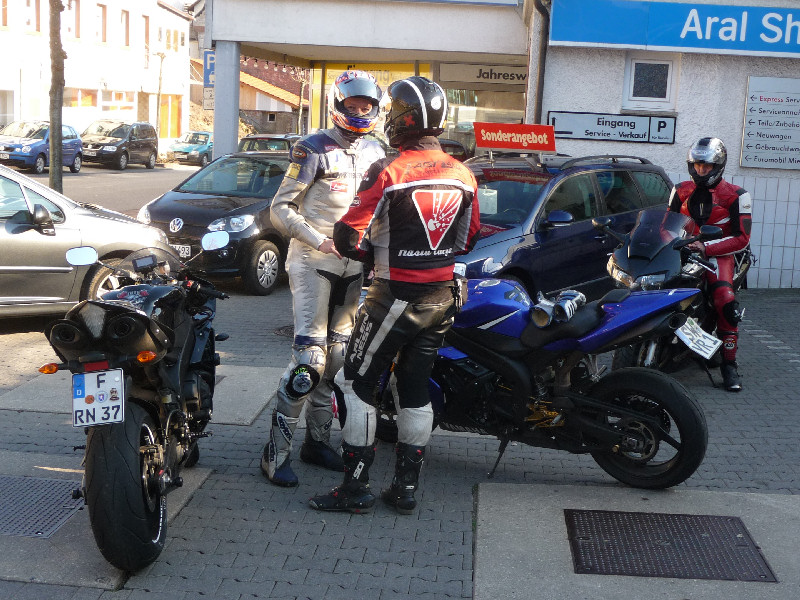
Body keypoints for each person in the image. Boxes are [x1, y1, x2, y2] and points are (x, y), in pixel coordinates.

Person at [309, 76, 481, 514]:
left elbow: (348, 237)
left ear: (403, 119)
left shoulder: (388, 169)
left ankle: (355, 488)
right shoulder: (463, 173)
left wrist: (375, 251)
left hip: (394, 295)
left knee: (356, 383)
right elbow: (469, 238)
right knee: (415, 386)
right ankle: (405, 489)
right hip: (442, 295)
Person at [261, 70, 386, 487]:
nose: (360, 112)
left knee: (337, 359)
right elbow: (280, 208)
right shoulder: (312, 147)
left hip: (355, 266)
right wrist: (320, 239)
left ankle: (317, 443)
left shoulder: (377, 150)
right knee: (309, 360)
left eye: (366, 106)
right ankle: (274, 454)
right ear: (338, 104)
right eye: (353, 105)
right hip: (313, 260)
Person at [668, 137, 752, 392]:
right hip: (683, 251)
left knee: (725, 299)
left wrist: (707, 247)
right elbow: (665, 226)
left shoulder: (737, 195)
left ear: (719, 166)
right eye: (697, 165)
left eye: (706, 166)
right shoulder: (679, 190)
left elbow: (742, 238)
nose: (701, 170)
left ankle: (729, 365)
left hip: (718, 254)